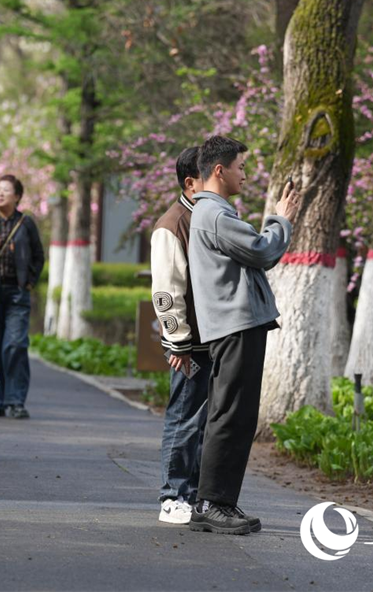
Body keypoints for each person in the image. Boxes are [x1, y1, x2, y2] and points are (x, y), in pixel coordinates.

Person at [187, 135, 297, 535]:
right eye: (241, 167)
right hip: (235, 326)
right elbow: (263, 251)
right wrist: (281, 219)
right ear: (220, 170)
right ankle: (211, 503)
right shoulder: (215, 214)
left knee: (234, 414)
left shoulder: (213, 212)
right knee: (231, 415)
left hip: (235, 326)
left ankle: (218, 501)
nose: (245, 175)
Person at [151, 147, 212, 525]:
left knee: (202, 422)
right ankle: (172, 496)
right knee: (185, 418)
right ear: (191, 183)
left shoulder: (206, 218)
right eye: (211, 175)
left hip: (212, 340)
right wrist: (179, 343)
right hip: (190, 345)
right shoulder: (173, 225)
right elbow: (166, 292)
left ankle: (195, 495)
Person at [0, 175, 44, 419]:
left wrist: (29, 281)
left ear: (17, 196)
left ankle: (15, 401)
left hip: (17, 292)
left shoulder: (25, 223)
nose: (0, 193)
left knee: (15, 344)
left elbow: (38, 256)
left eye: (6, 190)